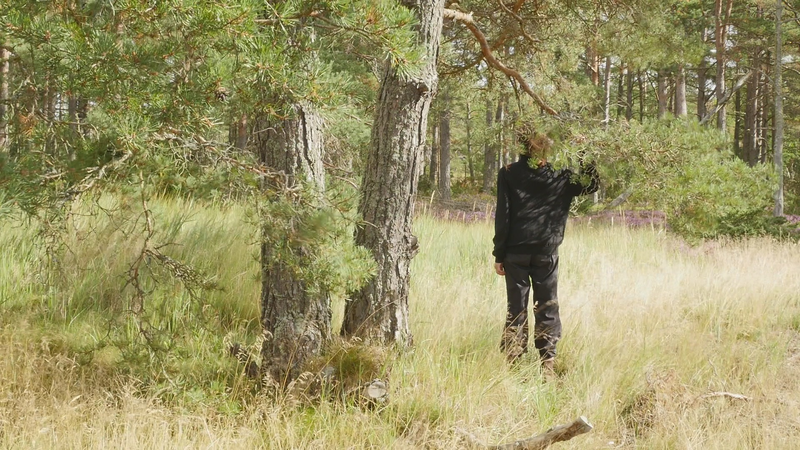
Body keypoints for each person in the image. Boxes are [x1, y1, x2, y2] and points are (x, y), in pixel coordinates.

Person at [492, 127, 599, 373]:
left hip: (515, 252)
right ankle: (547, 365)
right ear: (547, 148)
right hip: (546, 252)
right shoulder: (560, 176)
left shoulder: (508, 173)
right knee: (547, 306)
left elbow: (503, 217)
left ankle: (514, 364)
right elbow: (591, 184)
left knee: (516, 307)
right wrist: (583, 151)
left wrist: (499, 253)